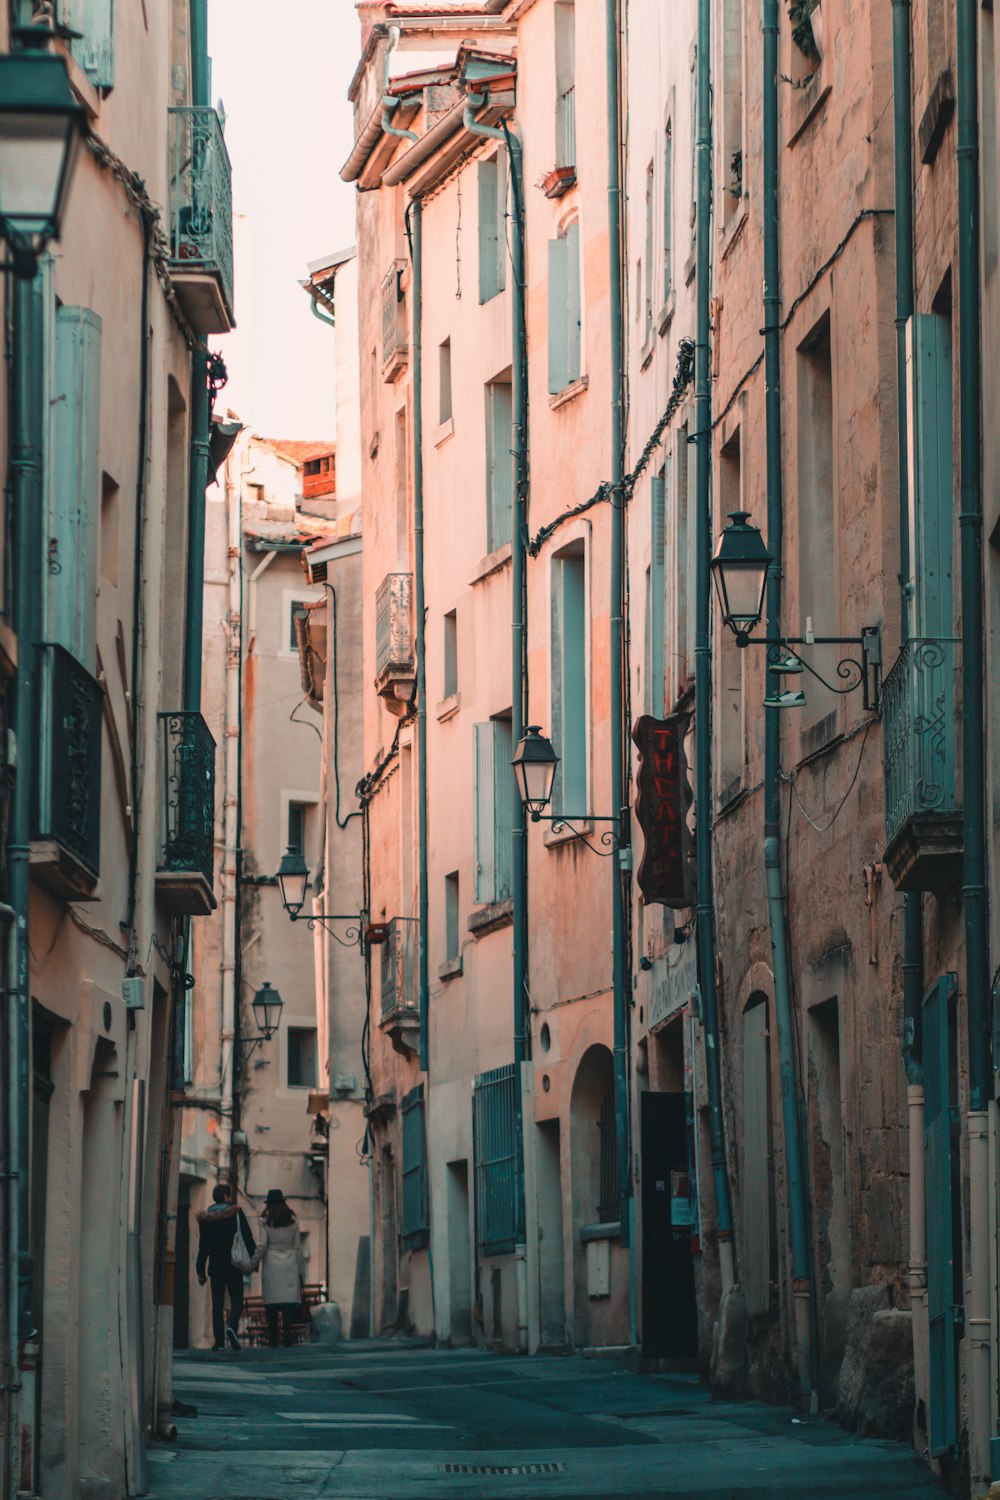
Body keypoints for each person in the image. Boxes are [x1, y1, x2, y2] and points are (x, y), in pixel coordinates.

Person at [195, 1182, 256, 1350]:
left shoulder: (207, 1219)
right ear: (226, 1196)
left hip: (215, 1267)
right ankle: (232, 1327)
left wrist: (200, 1270)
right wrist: (253, 1260)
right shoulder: (236, 1214)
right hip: (234, 1265)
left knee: (217, 1304)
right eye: (230, 1194)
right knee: (236, 1300)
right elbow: (247, 1237)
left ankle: (219, 1341)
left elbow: (203, 1246)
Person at [255, 1188, 307, 1348]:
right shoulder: (293, 1219)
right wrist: (301, 1270)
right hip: (290, 1261)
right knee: (288, 1302)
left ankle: (273, 1338)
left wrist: (254, 1262)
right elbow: (298, 1247)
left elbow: (262, 1245)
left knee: (272, 1302)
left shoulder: (264, 1220)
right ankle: (287, 1336)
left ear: (268, 1204)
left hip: (271, 1262)